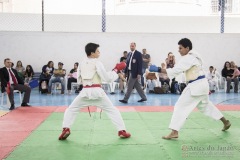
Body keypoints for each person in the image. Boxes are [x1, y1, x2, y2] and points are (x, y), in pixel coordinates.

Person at [150, 38, 231, 139]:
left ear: (187, 48)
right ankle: (226, 122)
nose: (179, 50)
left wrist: (158, 69)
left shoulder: (188, 58)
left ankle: (174, 131)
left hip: (196, 86)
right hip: (202, 85)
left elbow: (176, 70)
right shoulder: (195, 56)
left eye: (181, 48)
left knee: (180, 106)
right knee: (206, 106)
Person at [58, 43, 131, 140]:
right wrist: (116, 70)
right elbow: (106, 78)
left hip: (85, 92)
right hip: (97, 92)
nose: (99, 52)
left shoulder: (81, 63)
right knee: (112, 110)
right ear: (92, 53)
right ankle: (122, 131)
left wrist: (87, 84)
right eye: (97, 51)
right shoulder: (97, 63)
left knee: (71, 109)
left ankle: (66, 128)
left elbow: (79, 80)